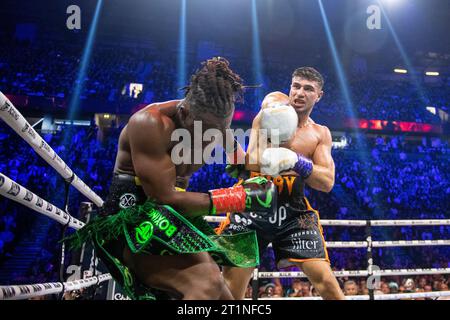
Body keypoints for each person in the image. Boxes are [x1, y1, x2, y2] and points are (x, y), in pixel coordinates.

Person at [65, 57, 277, 300]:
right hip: (134, 220)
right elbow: (163, 197)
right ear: (184, 112)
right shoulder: (150, 124)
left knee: (220, 291)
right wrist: (236, 198)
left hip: (172, 219)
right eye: (208, 129)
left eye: (223, 128)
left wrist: (266, 175)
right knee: (205, 285)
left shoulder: (215, 123)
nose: (215, 136)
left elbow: (244, 165)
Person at [219, 67, 345, 300]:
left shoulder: (320, 133)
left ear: (319, 96)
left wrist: (297, 161)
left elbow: (326, 182)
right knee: (232, 290)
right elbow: (257, 162)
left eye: (308, 89)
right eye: (296, 86)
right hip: (252, 205)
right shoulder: (271, 110)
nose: (299, 93)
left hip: (292, 211)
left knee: (327, 283)